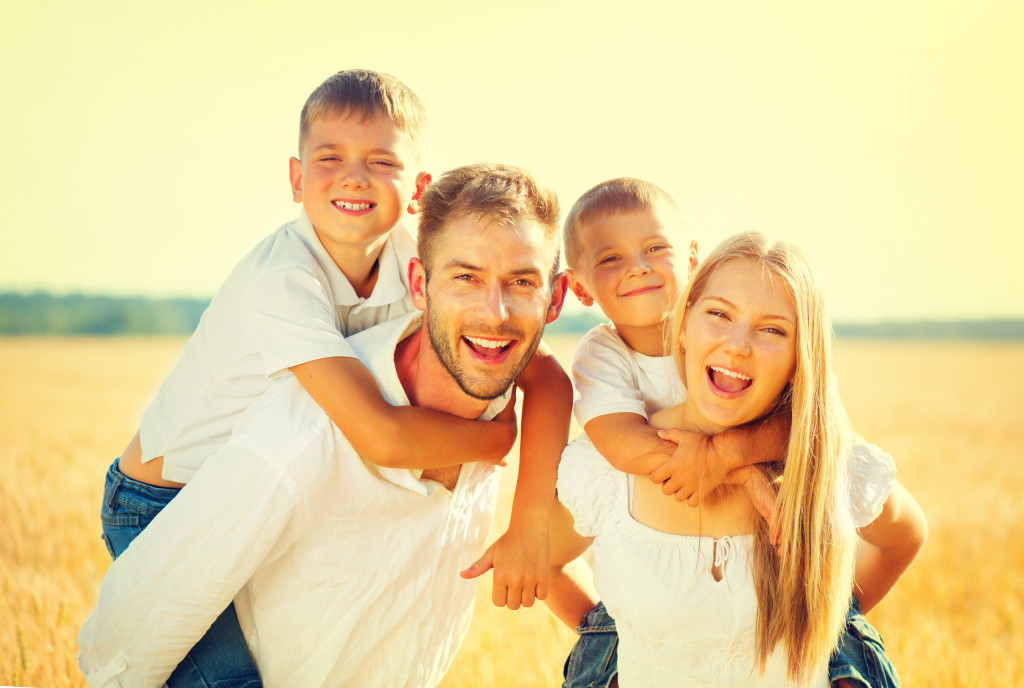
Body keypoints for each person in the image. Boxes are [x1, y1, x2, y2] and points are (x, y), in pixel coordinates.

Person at [99, 71, 568, 684]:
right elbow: (382, 437)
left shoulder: (425, 262)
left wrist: (531, 520)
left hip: (260, 492)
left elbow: (548, 377)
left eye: (380, 161)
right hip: (162, 500)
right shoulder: (282, 281)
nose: (354, 177)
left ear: (418, 188)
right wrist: (494, 441)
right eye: (330, 158)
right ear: (295, 179)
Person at [554, 181, 927, 687]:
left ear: (801, 360)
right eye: (719, 315)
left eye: (772, 330)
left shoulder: (828, 463)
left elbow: (905, 536)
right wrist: (609, 645)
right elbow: (542, 558)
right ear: (681, 324)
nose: (736, 346)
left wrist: (831, 615)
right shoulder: (605, 455)